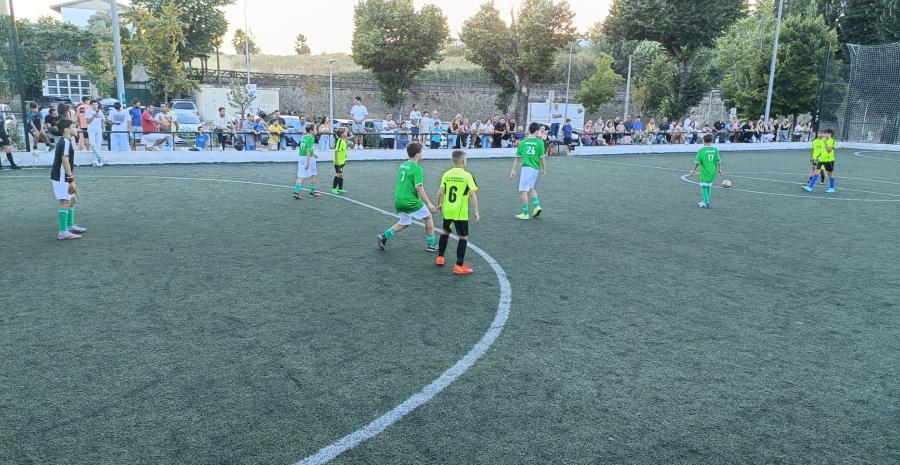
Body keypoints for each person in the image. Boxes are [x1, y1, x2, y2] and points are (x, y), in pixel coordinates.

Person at [376, 141, 438, 252]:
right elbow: (419, 187)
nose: (422, 154)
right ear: (417, 154)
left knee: (405, 222)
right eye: (422, 151)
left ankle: (384, 236)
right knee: (428, 217)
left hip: (398, 200)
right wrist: (429, 204)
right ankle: (431, 244)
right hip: (410, 201)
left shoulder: (402, 165)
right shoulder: (417, 168)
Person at [434, 149, 480, 275]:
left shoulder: (447, 174)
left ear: (453, 161)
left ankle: (440, 257)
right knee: (463, 237)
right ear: (464, 161)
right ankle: (459, 266)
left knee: (445, 232)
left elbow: (441, 191)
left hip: (448, 209)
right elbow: (472, 195)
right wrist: (476, 211)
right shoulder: (467, 176)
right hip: (460, 212)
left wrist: (439, 204)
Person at [51, 119, 87, 240]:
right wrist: (70, 179)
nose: (76, 129)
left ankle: (70, 225)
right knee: (65, 201)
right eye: (74, 127)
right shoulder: (65, 142)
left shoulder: (66, 141)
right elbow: (65, 160)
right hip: (61, 177)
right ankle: (63, 232)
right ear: (66, 129)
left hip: (63, 176)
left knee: (72, 199)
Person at [510, 122, 547, 220]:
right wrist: (544, 169)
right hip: (535, 169)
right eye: (539, 130)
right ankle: (537, 206)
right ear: (536, 131)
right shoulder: (540, 142)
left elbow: (517, 158)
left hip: (526, 168)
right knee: (531, 188)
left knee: (523, 190)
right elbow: (542, 158)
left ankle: (525, 213)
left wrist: (513, 170)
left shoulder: (522, 142)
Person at [688, 133, 723, 208]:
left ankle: (706, 202)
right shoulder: (715, 149)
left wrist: (693, 170)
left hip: (705, 170)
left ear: (704, 140)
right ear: (711, 140)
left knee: (704, 186)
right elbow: (718, 160)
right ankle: (705, 200)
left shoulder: (702, 150)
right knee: (708, 185)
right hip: (713, 170)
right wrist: (720, 169)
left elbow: (697, 162)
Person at [803, 129, 836, 193]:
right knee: (816, 172)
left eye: (825, 133)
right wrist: (817, 157)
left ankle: (832, 188)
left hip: (829, 160)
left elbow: (829, 150)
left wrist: (825, 142)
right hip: (821, 159)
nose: (824, 135)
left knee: (830, 174)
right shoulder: (823, 140)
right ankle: (809, 187)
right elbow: (823, 151)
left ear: (829, 134)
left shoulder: (832, 141)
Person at [293, 124, 321, 199]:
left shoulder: (304, 137)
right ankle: (312, 192)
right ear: (311, 130)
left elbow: (305, 148)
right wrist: (308, 163)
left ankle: (296, 192)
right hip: (308, 158)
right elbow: (308, 150)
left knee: (300, 176)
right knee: (313, 174)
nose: (316, 130)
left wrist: (313, 154)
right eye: (315, 129)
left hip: (301, 157)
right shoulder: (311, 138)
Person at [85, 100, 105, 166]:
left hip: (99, 130)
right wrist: (94, 116)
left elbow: (102, 120)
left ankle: (96, 160)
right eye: (93, 104)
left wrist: (103, 128)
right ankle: (101, 157)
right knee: (92, 143)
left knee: (98, 145)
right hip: (91, 129)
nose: (95, 105)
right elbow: (88, 122)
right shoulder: (88, 111)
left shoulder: (100, 111)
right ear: (91, 105)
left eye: (96, 104)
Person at [331, 127, 349, 194]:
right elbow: (336, 151)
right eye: (345, 132)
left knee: (341, 175)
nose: (346, 133)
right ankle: (334, 188)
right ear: (341, 134)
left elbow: (343, 150)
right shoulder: (340, 141)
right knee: (339, 174)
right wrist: (336, 161)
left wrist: (345, 155)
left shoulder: (344, 140)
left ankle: (340, 188)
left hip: (342, 161)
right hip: (338, 162)